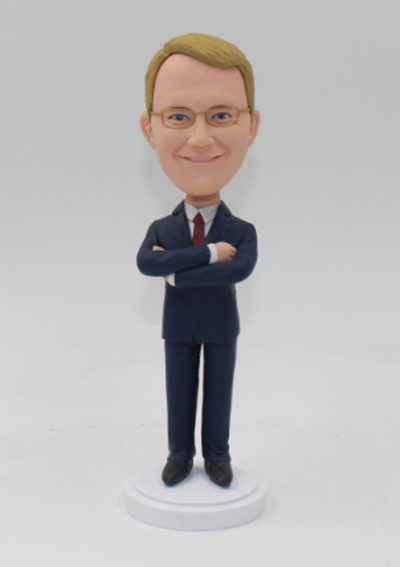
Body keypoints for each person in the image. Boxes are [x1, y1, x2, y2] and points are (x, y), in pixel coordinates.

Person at [137, 33, 261, 487]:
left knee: (219, 393)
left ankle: (217, 456)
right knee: (179, 392)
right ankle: (179, 455)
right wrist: (208, 254)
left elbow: (239, 270)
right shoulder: (162, 227)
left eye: (222, 115)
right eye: (179, 116)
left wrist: (175, 271)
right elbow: (145, 264)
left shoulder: (241, 231)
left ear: (251, 126)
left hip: (222, 327)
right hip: (177, 329)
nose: (201, 136)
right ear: (150, 129)